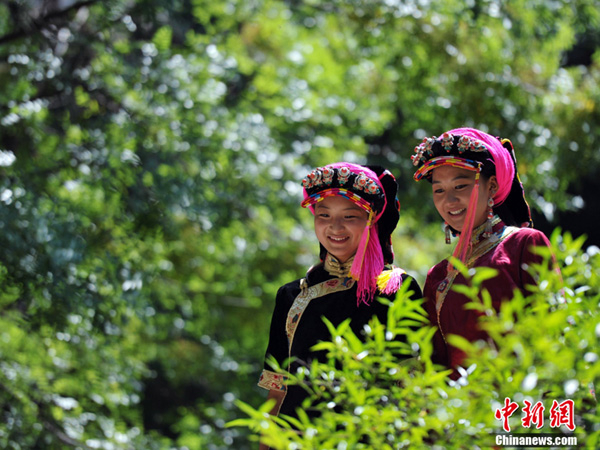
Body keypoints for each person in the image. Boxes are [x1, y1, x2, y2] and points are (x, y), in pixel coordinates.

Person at [257, 162, 422, 435]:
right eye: (323, 215)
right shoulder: (292, 295)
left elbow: (411, 385)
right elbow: (277, 391)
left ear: (370, 219)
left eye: (349, 216)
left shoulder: (396, 289)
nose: (335, 227)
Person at [410, 127, 557, 379]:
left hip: (521, 406)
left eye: (461, 186)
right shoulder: (437, 276)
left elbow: (555, 332)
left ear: (492, 186)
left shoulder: (524, 244)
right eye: (439, 190)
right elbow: (435, 365)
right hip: (461, 414)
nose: (449, 200)